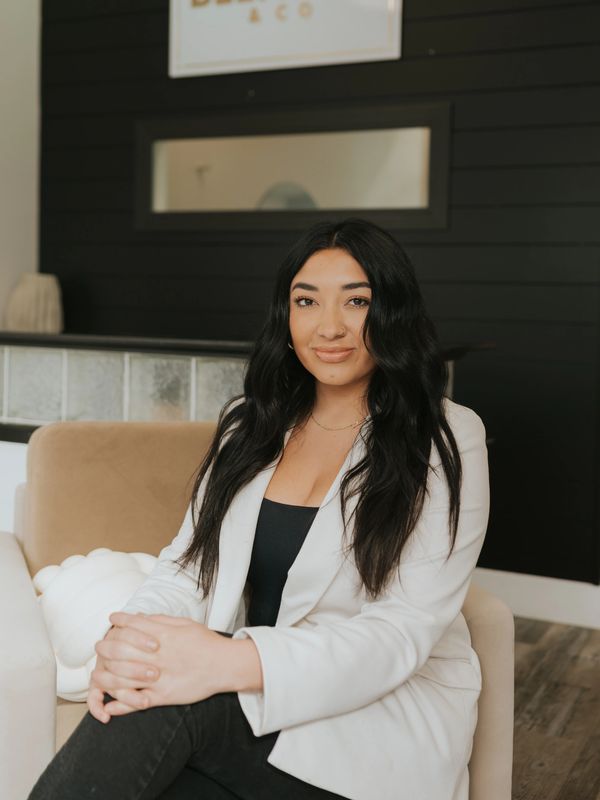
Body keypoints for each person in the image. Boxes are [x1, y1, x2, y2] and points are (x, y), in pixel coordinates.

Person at [29, 218, 489, 800]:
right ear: (286, 315)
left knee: (158, 711)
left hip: (376, 720)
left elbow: (401, 633)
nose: (330, 326)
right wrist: (133, 650)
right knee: (147, 715)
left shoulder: (445, 436)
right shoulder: (250, 423)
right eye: (307, 301)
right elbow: (187, 564)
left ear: (393, 310)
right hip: (255, 710)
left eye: (357, 300)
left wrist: (227, 663)